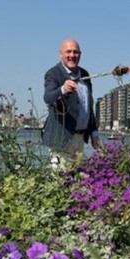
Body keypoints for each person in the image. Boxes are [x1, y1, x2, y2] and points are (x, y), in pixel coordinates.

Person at [42, 38, 101, 167]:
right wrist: (62, 89)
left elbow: (88, 108)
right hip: (61, 140)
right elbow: (48, 97)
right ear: (60, 54)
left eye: (75, 52)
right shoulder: (53, 73)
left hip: (80, 139)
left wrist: (94, 134)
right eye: (68, 52)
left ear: (80, 54)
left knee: (77, 181)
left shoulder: (85, 74)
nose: (72, 55)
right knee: (62, 181)